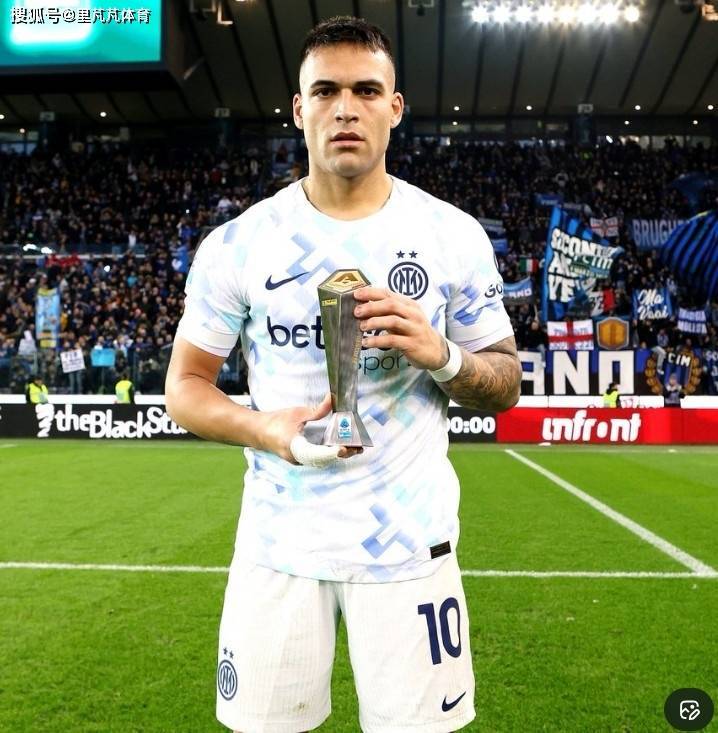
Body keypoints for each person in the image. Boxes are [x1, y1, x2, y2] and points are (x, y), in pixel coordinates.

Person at [165, 16, 521, 733]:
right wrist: (268, 430)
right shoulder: (239, 245)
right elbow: (186, 387)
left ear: (395, 107)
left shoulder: (451, 236)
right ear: (300, 110)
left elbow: (505, 383)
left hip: (411, 550)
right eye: (326, 91)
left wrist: (442, 354)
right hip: (279, 548)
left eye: (366, 90)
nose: (346, 108)